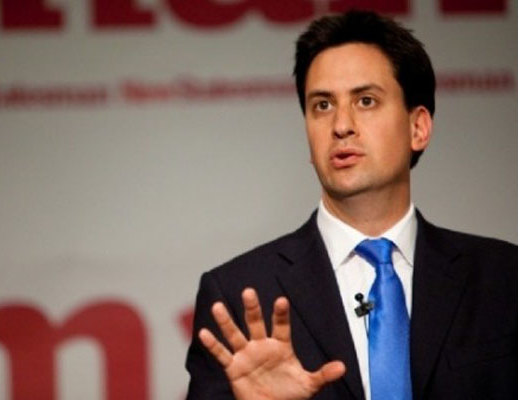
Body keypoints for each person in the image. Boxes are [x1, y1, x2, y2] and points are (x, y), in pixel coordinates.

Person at [184, 10, 518, 400]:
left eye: (365, 100)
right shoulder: (239, 294)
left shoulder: (504, 278)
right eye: (322, 106)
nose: (341, 125)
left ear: (418, 127)